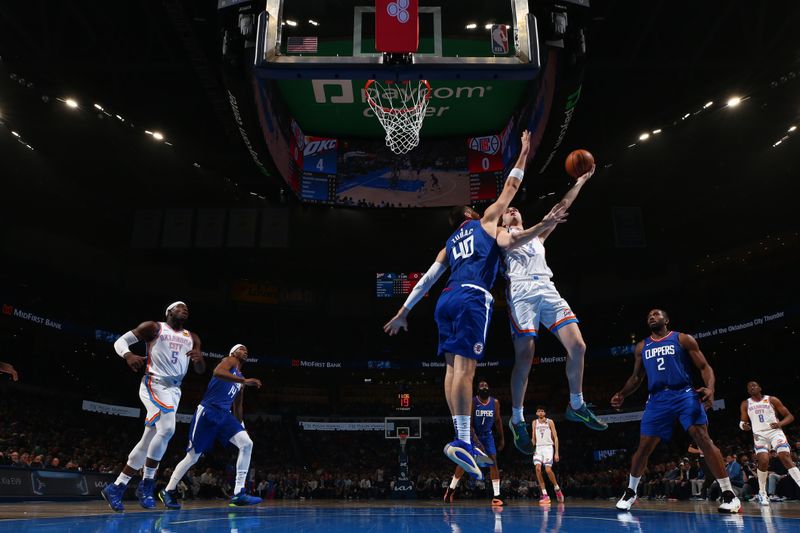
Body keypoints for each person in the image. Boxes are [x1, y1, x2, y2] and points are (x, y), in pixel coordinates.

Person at [384, 131, 567, 479]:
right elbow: (510, 188)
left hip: (445, 300)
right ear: (470, 212)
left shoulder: (449, 244)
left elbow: (427, 280)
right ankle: (464, 441)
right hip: (471, 298)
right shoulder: (484, 222)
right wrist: (524, 153)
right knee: (466, 372)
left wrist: (404, 311)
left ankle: (460, 437)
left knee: (452, 370)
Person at [499, 165, 606, 456]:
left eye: (516, 209)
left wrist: (580, 181)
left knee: (579, 346)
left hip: (547, 289)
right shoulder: (500, 235)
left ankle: (576, 404)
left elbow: (563, 205)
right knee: (525, 355)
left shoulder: (537, 237)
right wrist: (542, 223)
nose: (513, 211)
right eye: (509, 210)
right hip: (521, 293)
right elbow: (513, 239)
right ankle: (518, 419)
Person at [610, 309, 741, 513]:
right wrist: (622, 393)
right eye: (649, 316)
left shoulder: (682, 339)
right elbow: (636, 378)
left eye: (656, 314)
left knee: (702, 437)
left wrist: (711, 388)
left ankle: (729, 494)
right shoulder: (642, 346)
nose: (651, 317)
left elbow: (705, 367)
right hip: (657, 399)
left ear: (666, 320)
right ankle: (631, 491)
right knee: (644, 446)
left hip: (684, 393)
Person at [101, 301, 205, 512]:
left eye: (187, 308)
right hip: (154, 383)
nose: (184, 309)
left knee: (148, 438)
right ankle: (147, 484)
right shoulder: (154, 327)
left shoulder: (192, 337)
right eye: (179, 307)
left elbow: (201, 370)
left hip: (175, 390)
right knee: (167, 429)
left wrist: (200, 360)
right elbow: (121, 341)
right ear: (169, 312)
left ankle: (117, 486)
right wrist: (128, 355)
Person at [159, 344, 262, 508]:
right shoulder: (230, 361)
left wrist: (240, 425)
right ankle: (169, 490)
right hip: (208, 410)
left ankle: (239, 493)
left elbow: (238, 407)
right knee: (193, 456)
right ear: (233, 352)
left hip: (225, 415)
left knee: (247, 443)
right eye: (241, 348)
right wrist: (243, 380)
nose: (245, 351)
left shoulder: (241, 380)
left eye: (246, 349)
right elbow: (217, 372)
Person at [444, 379, 506, 506]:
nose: (484, 387)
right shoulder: (472, 401)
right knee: (465, 462)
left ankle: (496, 496)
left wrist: (502, 438)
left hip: (487, 435)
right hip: (472, 434)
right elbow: (469, 423)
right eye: (481, 385)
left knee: (493, 462)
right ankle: (451, 489)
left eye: (486, 385)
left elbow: (498, 421)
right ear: (478, 390)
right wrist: (477, 442)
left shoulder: (495, 402)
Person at [740, 380, 800, 505]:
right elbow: (742, 422)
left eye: (754, 385)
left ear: (760, 387)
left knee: (784, 456)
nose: (752, 387)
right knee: (763, 460)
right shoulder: (746, 404)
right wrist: (743, 426)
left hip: (775, 432)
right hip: (759, 435)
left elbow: (790, 416)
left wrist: (780, 424)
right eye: (749, 387)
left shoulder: (772, 400)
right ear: (747, 391)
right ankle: (762, 492)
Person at [531, 406, 564, 504]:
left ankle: (557, 488)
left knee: (548, 470)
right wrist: (531, 448)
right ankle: (545, 495)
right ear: (536, 413)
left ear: (545, 413)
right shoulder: (534, 422)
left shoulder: (550, 422)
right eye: (539, 411)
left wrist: (556, 452)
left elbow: (556, 437)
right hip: (538, 448)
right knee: (537, 468)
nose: (540, 412)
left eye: (542, 411)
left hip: (548, 447)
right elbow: (533, 437)